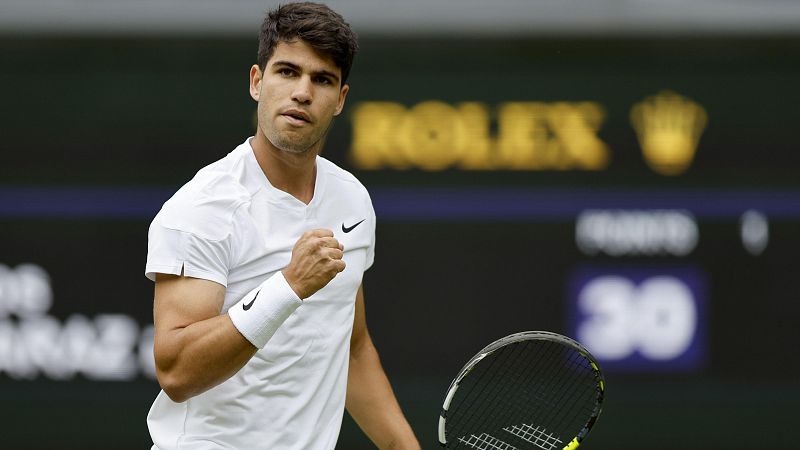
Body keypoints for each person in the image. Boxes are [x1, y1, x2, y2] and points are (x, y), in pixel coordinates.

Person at [144, 3, 421, 449]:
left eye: (322, 79)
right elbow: (176, 372)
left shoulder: (351, 199)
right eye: (287, 72)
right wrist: (289, 285)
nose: (302, 92)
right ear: (257, 82)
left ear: (340, 100)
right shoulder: (201, 207)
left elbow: (350, 348)